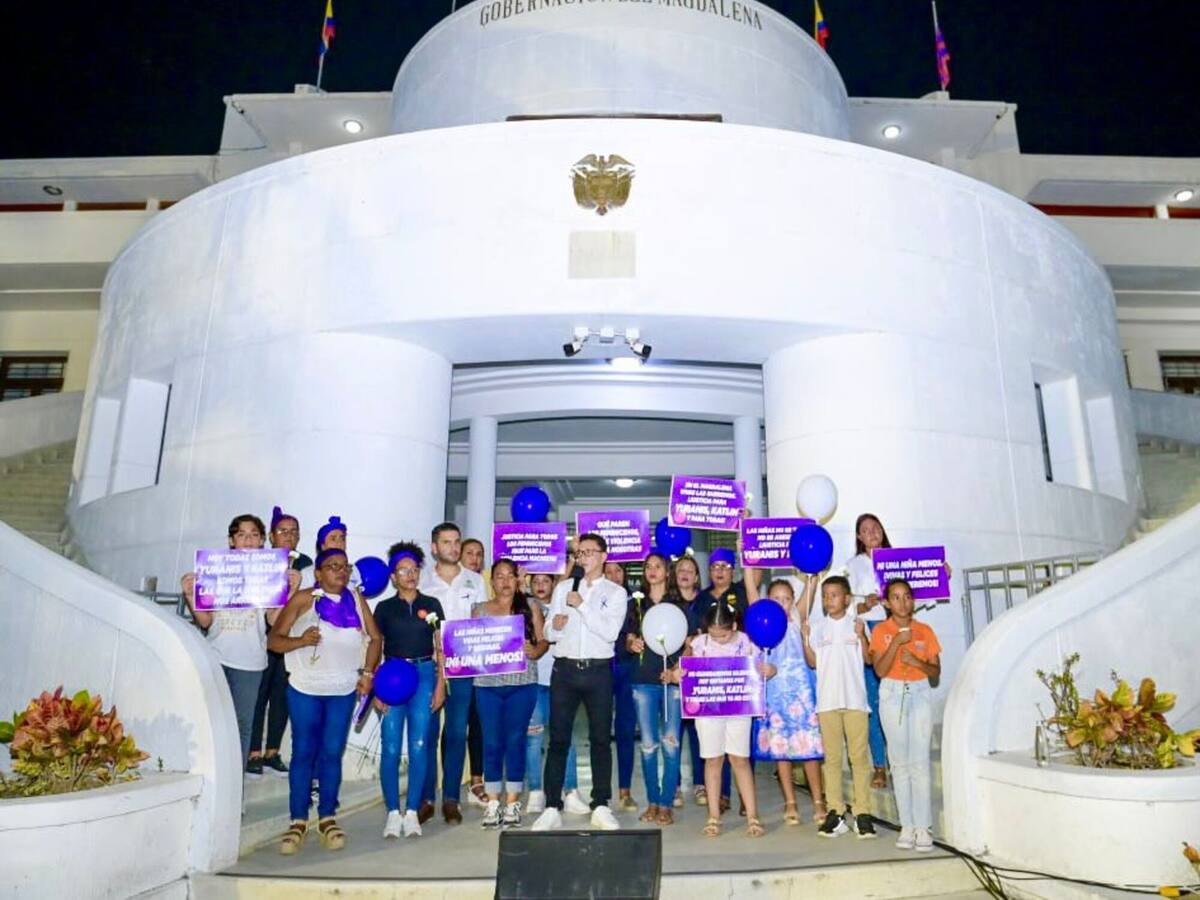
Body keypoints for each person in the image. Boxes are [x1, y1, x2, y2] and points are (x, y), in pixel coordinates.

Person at [268, 547, 381, 854]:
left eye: (344, 567)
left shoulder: (357, 600)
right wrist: (301, 641)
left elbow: (376, 638)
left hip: (342, 690)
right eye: (332, 566)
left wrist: (368, 674)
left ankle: (328, 817)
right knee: (304, 751)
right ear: (318, 573)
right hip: (305, 687)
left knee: (332, 753)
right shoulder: (305, 599)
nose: (340, 572)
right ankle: (298, 820)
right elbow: (274, 641)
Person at [532, 533, 629, 831]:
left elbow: (610, 633)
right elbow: (550, 632)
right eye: (579, 552)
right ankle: (551, 805)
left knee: (600, 739)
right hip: (565, 671)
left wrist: (583, 606)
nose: (583, 557)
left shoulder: (615, 593)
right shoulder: (563, 588)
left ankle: (601, 803)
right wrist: (555, 626)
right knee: (558, 739)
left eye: (589, 552)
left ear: (603, 556)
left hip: (598, 671)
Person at [181, 514, 286, 773]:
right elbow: (205, 622)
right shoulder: (217, 570)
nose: (247, 540)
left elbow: (273, 619)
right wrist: (189, 593)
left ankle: (233, 788)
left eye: (253, 535)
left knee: (242, 726)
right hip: (215, 656)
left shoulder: (269, 575)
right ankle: (208, 779)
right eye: (241, 535)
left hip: (249, 662)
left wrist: (289, 592)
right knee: (210, 721)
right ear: (231, 540)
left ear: (262, 541)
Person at [678, 599, 774, 838]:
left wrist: (770, 671)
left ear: (733, 627)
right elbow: (682, 673)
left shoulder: (747, 642)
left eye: (722, 636)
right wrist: (676, 673)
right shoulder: (699, 643)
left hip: (738, 710)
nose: (717, 640)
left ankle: (752, 815)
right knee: (713, 761)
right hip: (708, 713)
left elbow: (764, 668)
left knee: (740, 760)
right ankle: (713, 816)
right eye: (713, 634)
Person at [373, 542, 447, 839]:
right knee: (391, 746)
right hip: (391, 677)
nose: (410, 575)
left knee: (419, 745)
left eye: (414, 569)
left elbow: (441, 648)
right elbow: (375, 649)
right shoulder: (384, 608)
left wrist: (441, 685)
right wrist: (375, 691)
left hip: (424, 674)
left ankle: (413, 811)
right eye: (403, 570)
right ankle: (393, 812)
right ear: (393, 576)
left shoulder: (432, 605)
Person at [419, 521, 487, 823]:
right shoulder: (421, 581)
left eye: (456, 541)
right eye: (446, 542)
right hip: (429, 665)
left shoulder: (475, 581)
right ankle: (425, 798)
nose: (453, 547)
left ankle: (450, 798)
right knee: (427, 732)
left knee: (458, 732)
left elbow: (483, 623)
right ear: (434, 548)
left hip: (464, 666)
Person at [745, 573, 826, 826]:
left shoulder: (796, 619)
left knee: (810, 750)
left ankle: (818, 801)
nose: (782, 603)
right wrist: (745, 553)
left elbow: (811, 583)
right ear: (767, 600)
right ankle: (790, 802)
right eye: (776, 598)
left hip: (802, 695)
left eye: (787, 598)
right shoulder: (761, 617)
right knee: (782, 751)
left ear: (793, 601)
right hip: (776, 696)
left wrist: (814, 573)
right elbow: (750, 584)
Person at [800, 574, 876, 839]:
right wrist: (805, 638)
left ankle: (863, 812)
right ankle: (835, 811)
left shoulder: (857, 624)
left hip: (855, 701)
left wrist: (862, 637)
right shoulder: (818, 627)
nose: (828, 599)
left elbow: (868, 660)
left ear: (846, 598)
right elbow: (812, 662)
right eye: (825, 595)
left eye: (834, 595)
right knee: (831, 760)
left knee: (859, 759)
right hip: (828, 703)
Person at [474, 559, 548, 828]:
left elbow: (543, 641)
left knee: (516, 741)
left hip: (522, 684)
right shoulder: (479, 610)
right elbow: (469, 646)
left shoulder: (530, 607)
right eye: (499, 576)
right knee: (492, 743)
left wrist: (536, 651)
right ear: (491, 581)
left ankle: (513, 802)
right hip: (487, 687)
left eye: (509, 576)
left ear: (517, 579)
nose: (505, 581)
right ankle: (493, 802)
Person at [869, 578, 941, 852]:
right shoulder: (881, 631)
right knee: (899, 763)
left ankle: (924, 826)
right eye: (896, 597)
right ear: (887, 603)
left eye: (907, 597)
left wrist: (917, 662)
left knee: (919, 761)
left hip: (920, 692)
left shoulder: (925, 630)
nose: (903, 602)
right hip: (891, 693)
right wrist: (896, 643)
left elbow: (935, 672)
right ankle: (907, 825)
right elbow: (879, 670)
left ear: (913, 600)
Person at [621, 551, 692, 826]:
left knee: (672, 744)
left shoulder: (680, 605)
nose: (652, 571)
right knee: (648, 745)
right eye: (648, 566)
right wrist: (631, 645)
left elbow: (690, 645)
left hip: (671, 682)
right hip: (642, 681)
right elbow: (628, 640)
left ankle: (666, 804)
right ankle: (652, 801)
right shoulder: (635, 605)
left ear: (667, 572)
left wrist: (677, 671)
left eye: (658, 566)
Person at [247, 506, 307, 779]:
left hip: (287, 640)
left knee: (281, 695)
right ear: (271, 536)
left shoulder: (303, 565)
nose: (289, 536)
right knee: (258, 697)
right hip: (259, 638)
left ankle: (272, 751)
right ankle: (253, 752)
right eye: (283, 531)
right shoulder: (258, 563)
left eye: (294, 532)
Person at [524, 573, 586, 815]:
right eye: (535, 582)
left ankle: (570, 790)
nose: (540, 586)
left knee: (565, 737)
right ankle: (537, 791)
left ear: (554, 584)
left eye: (545, 581)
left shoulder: (565, 604)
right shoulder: (524, 607)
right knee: (534, 738)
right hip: (534, 680)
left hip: (562, 680)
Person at [846, 513, 893, 788]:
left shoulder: (900, 561)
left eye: (876, 527)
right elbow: (843, 604)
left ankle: (900, 762)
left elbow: (919, 595)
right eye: (866, 529)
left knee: (899, 699)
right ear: (859, 537)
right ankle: (879, 765)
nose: (872, 532)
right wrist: (864, 606)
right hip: (869, 632)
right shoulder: (852, 566)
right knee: (874, 702)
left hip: (896, 630)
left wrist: (939, 575)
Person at [604, 560, 637, 811]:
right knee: (600, 733)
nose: (614, 576)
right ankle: (601, 792)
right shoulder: (594, 601)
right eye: (608, 571)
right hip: (600, 672)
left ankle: (625, 791)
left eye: (618, 571)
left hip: (627, 671)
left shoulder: (634, 604)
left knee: (625, 731)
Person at [459, 536, 489, 808]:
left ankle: (477, 780)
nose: (475, 559)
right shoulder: (437, 582)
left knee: (478, 723)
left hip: (477, 660)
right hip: (449, 661)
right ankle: (449, 787)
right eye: (469, 553)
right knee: (454, 729)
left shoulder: (481, 583)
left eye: (479, 554)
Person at [690, 548, 748, 621]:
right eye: (715, 566)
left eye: (724, 566)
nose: (719, 571)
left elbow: (755, 576)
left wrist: (745, 553)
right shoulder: (702, 598)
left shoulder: (741, 592)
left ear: (732, 571)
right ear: (710, 572)